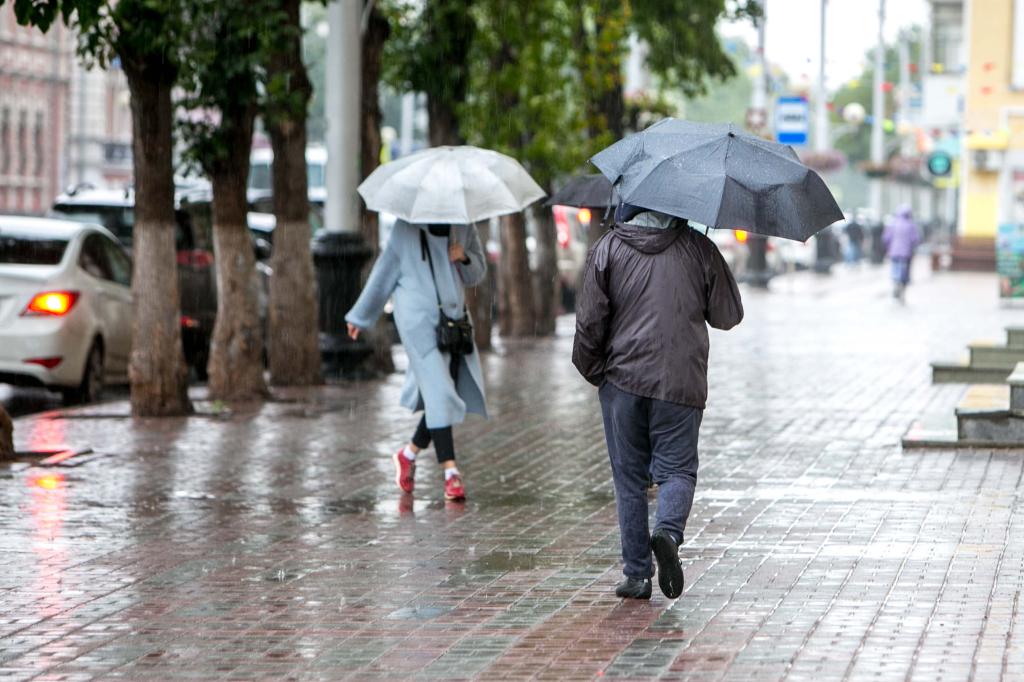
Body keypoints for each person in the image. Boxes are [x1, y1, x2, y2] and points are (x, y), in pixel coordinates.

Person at [572, 205, 744, 600]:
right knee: (677, 470)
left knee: (629, 478)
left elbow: (589, 320)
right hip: (680, 381)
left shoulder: (609, 247)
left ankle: (636, 575)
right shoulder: (699, 248)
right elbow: (728, 315)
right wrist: (705, 258)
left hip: (622, 381)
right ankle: (667, 532)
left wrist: (597, 372)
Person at [346, 221, 488, 501]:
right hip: (417, 323)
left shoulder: (463, 226)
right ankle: (450, 473)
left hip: (453, 322)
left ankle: (408, 453)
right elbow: (383, 274)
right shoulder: (404, 229)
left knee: (446, 394)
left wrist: (464, 257)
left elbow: (477, 273)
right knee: (440, 392)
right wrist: (359, 317)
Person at [882, 206, 922, 303]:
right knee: (904, 272)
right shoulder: (911, 225)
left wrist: (889, 247)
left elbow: (886, 238)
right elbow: (916, 239)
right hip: (906, 253)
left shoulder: (893, 224)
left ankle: (896, 282)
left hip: (894, 252)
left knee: (895, 269)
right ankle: (902, 289)